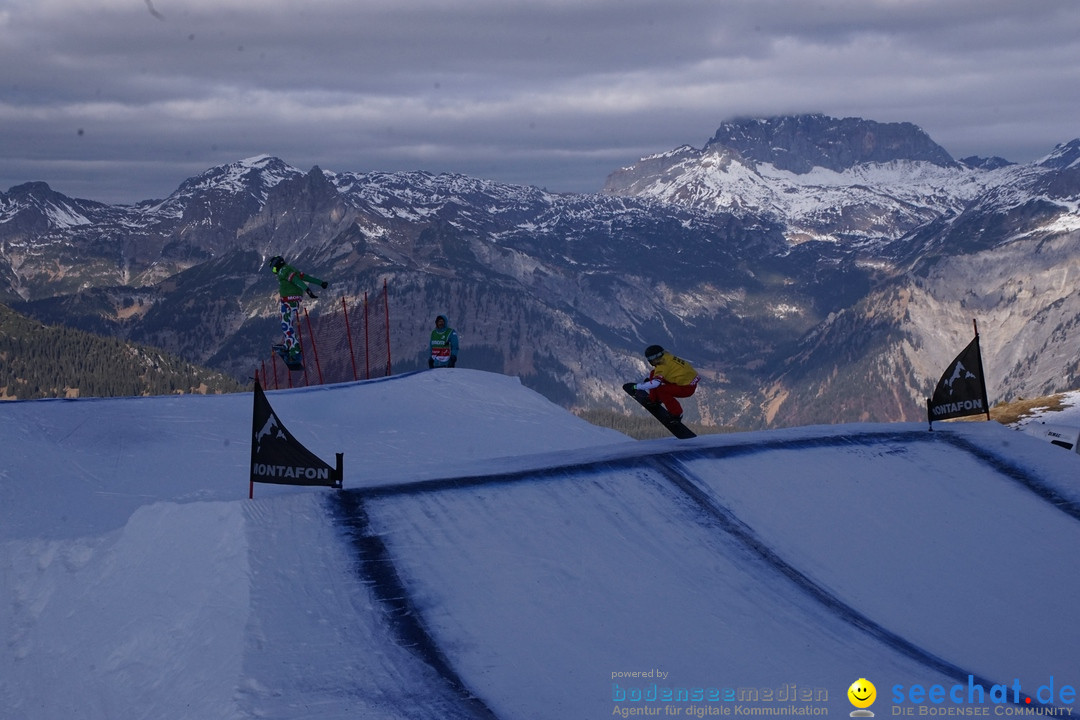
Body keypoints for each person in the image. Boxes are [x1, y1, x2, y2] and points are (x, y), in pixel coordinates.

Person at [268, 255, 327, 363]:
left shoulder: (283, 271)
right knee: (287, 323)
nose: (274, 271)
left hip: (288, 301)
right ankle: (288, 344)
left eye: (274, 268)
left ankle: (294, 351)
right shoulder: (291, 268)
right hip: (293, 300)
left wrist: (308, 290)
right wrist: (320, 283)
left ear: (278, 264)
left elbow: (295, 280)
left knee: (287, 326)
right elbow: (304, 277)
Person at [632, 344, 699, 421]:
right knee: (653, 373)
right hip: (687, 382)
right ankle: (653, 399)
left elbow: (655, 384)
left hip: (686, 388)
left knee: (662, 390)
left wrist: (637, 387)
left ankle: (676, 414)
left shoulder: (662, 366)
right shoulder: (667, 356)